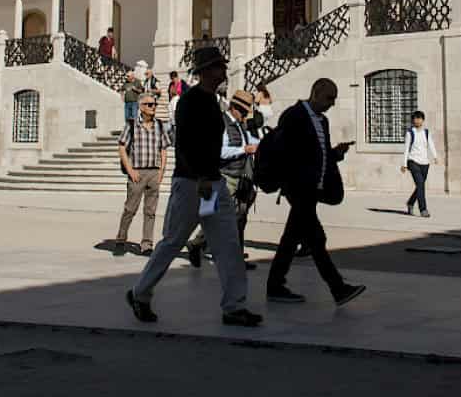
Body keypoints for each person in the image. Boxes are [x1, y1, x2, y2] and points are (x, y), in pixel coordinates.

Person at [126, 47, 261, 328]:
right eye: (218, 68)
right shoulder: (190, 101)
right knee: (173, 241)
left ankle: (235, 306)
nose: (223, 72)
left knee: (228, 244)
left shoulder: (214, 102)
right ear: (206, 71)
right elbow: (185, 144)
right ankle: (140, 293)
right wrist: (200, 179)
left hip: (213, 182)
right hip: (191, 182)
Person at [265, 78, 365, 307]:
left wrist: (336, 154)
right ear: (316, 92)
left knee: (293, 239)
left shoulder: (323, 122)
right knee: (315, 239)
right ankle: (337, 288)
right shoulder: (294, 116)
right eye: (329, 97)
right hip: (298, 188)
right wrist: (292, 181)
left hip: (312, 189)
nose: (332, 103)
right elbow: (286, 152)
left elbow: (319, 155)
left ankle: (275, 285)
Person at [187, 89, 259, 270]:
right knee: (216, 217)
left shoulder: (240, 125)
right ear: (234, 108)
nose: (244, 115)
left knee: (240, 218)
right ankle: (197, 244)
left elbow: (250, 141)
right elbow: (219, 151)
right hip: (225, 176)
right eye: (242, 111)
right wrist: (244, 150)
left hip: (241, 176)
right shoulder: (221, 123)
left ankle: (236, 259)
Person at [115, 93, 169, 257]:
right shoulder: (132, 125)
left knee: (150, 211)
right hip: (137, 172)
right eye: (149, 105)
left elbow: (164, 149)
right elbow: (122, 147)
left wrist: (161, 172)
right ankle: (121, 239)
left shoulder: (159, 125)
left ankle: (147, 244)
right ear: (141, 107)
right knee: (130, 208)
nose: (153, 107)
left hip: (153, 171)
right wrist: (130, 170)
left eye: (154, 104)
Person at [401, 110, 439, 217]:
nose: (417, 120)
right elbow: (406, 148)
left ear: (423, 120)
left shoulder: (426, 132)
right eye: (415, 118)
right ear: (413, 120)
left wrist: (435, 156)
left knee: (420, 186)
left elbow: (430, 144)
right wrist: (404, 164)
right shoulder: (410, 132)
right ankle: (423, 209)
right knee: (421, 185)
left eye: (419, 118)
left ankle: (410, 203)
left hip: (425, 162)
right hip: (413, 161)